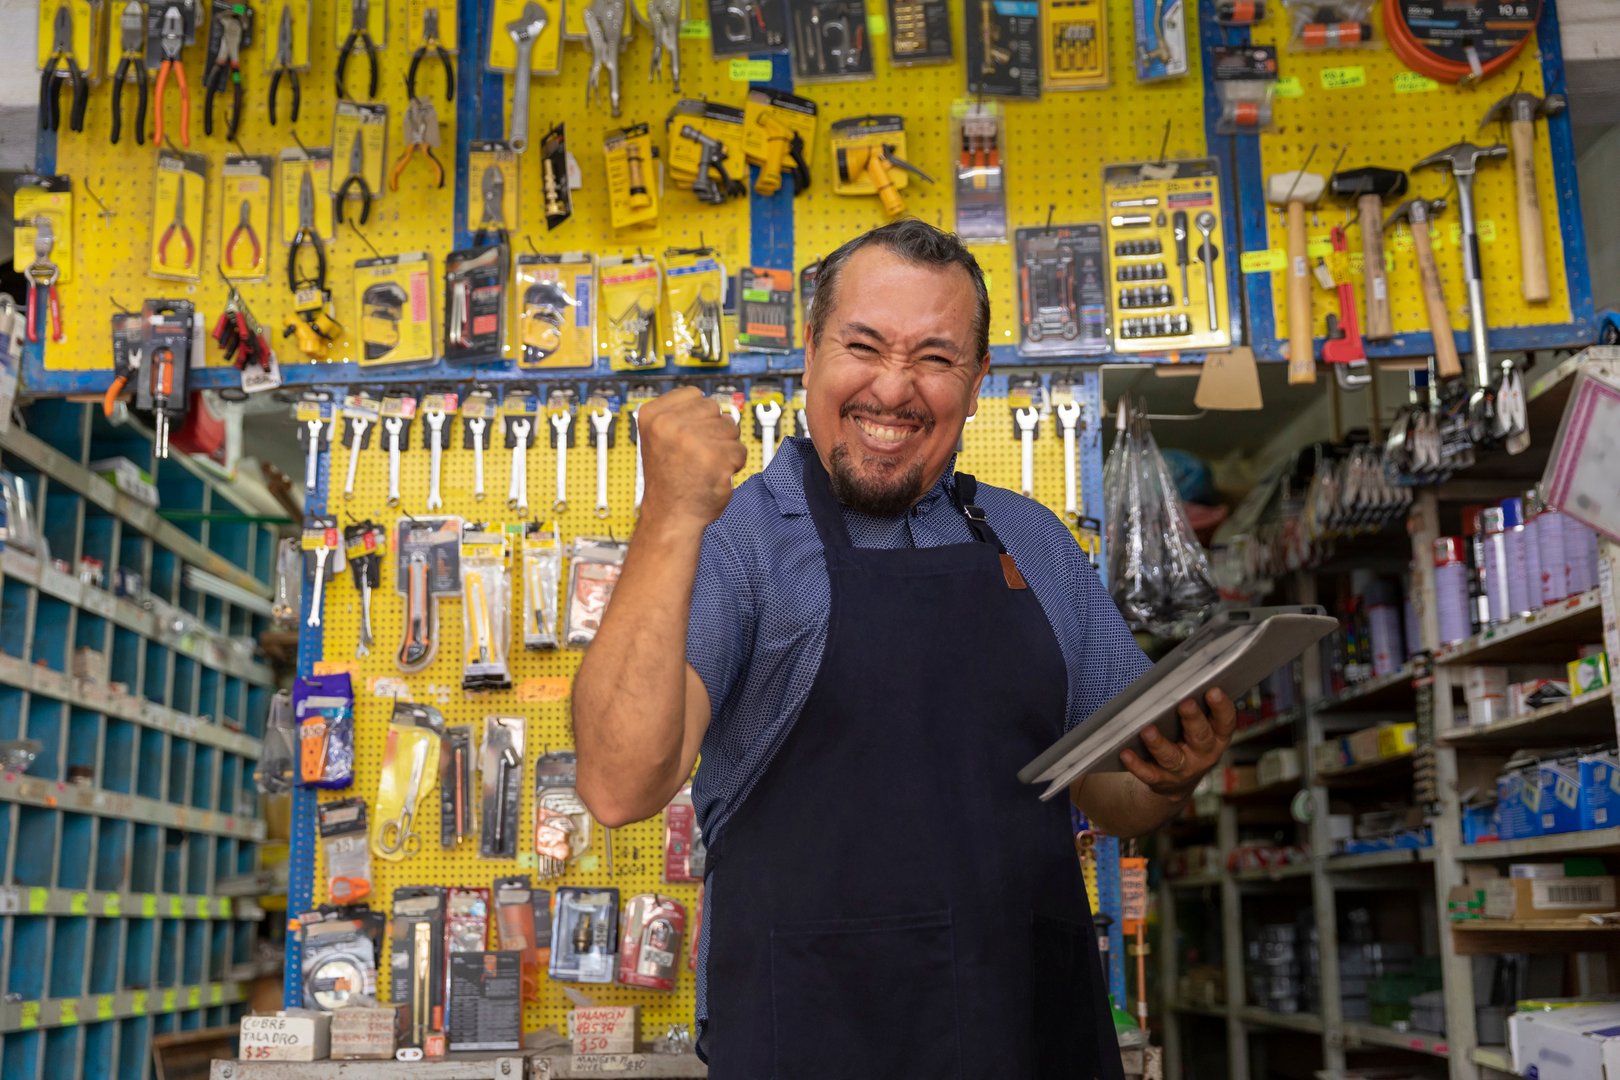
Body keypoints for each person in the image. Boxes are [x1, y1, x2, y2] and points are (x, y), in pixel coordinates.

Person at [572, 220, 1236, 1079]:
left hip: (1030, 1032)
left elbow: (1116, 798)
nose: (893, 388)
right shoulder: (739, 541)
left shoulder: (1034, 540)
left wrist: (1169, 775)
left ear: (978, 378)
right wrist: (667, 517)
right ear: (807, 352)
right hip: (813, 1037)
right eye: (863, 345)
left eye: (934, 356)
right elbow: (618, 784)